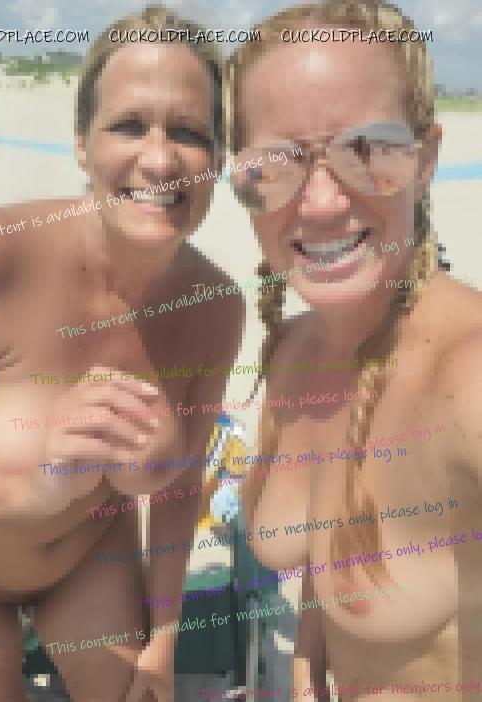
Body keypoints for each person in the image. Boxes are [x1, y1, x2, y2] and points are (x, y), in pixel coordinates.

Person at [0, 6, 242, 702]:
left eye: (189, 133)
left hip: (89, 558)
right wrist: (25, 490)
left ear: (217, 160)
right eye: (129, 125)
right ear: (80, 145)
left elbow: (182, 487)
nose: (159, 159)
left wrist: (163, 644)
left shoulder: (214, 306)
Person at [229, 0, 482, 698]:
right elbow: (330, 549)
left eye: (367, 150)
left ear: (426, 159)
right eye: (275, 162)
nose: (319, 204)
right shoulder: (292, 351)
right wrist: (308, 661)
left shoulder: (468, 380)